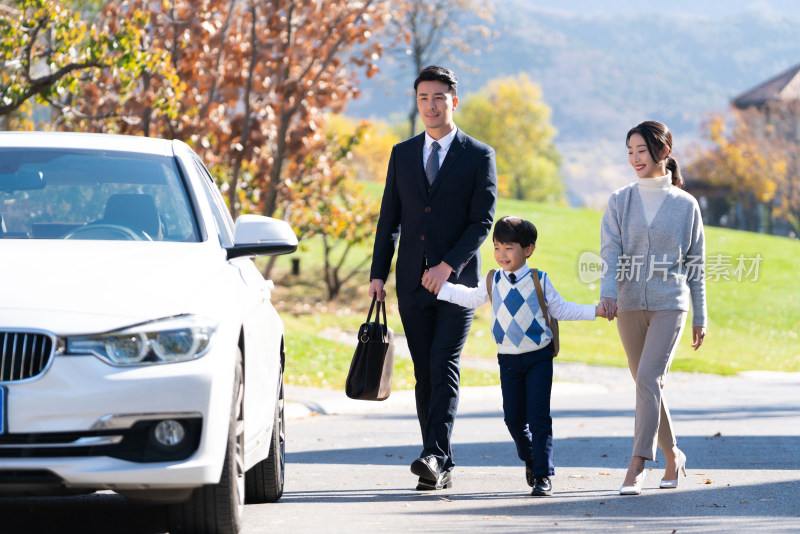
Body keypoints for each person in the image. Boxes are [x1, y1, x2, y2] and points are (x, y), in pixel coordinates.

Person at [368, 65, 497, 491]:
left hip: (457, 286)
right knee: (425, 371)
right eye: (423, 98)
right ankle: (437, 457)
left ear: (453, 101)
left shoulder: (478, 155)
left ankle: (435, 457)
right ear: (417, 101)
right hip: (410, 284)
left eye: (438, 97)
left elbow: (483, 221)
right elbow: (389, 218)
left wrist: (448, 267)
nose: (431, 105)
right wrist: (377, 275)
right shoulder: (402, 153)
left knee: (444, 364)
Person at [433, 216, 607, 496]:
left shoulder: (539, 280)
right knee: (513, 419)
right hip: (508, 360)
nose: (502, 254)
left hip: (538, 358)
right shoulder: (492, 280)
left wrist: (594, 311)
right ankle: (531, 459)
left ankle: (543, 475)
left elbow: (561, 310)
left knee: (539, 417)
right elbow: (470, 298)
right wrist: (441, 288)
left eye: (509, 248)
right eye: (497, 247)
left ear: (528, 249)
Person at [600, 120, 707, 495]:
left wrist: (701, 315)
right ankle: (674, 455)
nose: (634, 159)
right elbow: (611, 251)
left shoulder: (685, 205)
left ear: (663, 152)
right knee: (648, 383)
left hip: (670, 305)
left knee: (647, 378)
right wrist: (608, 293)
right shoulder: (619, 200)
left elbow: (695, 264)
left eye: (641, 151)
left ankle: (636, 464)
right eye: (629, 152)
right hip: (628, 305)